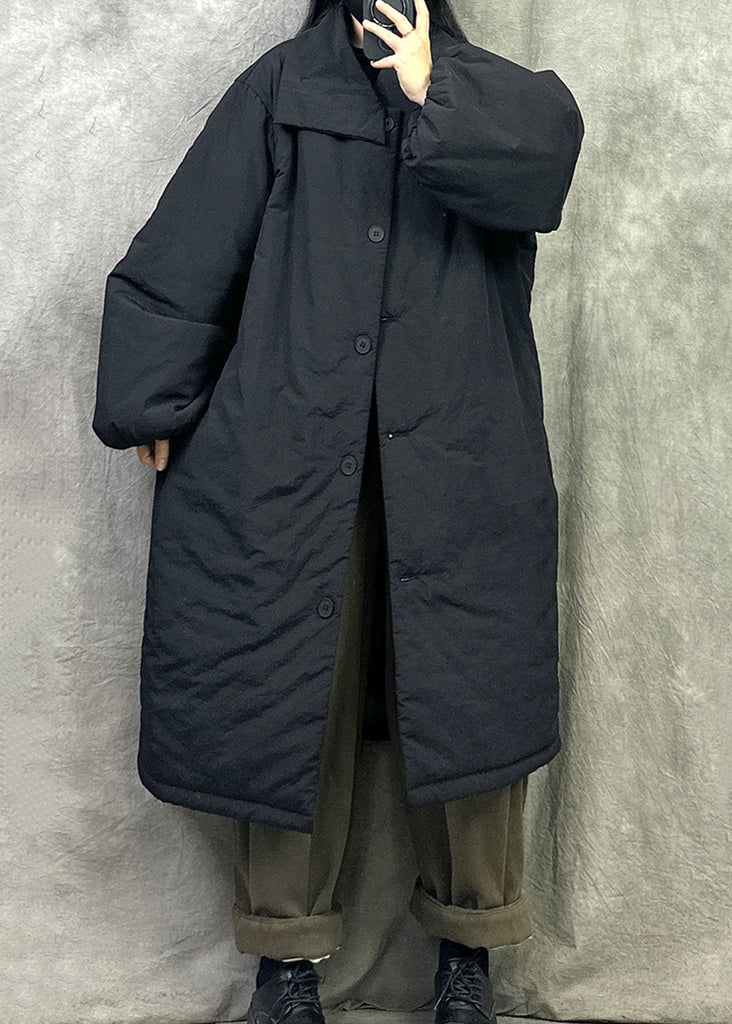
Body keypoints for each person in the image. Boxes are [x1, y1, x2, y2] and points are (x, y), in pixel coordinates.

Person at [91, 0, 584, 1021]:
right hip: (293, 452)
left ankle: (470, 952)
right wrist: (152, 393)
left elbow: (542, 170)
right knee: (286, 690)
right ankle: (286, 960)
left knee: (470, 685)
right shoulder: (280, 92)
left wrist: (434, 88)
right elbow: (189, 246)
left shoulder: (492, 94)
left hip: (459, 455)